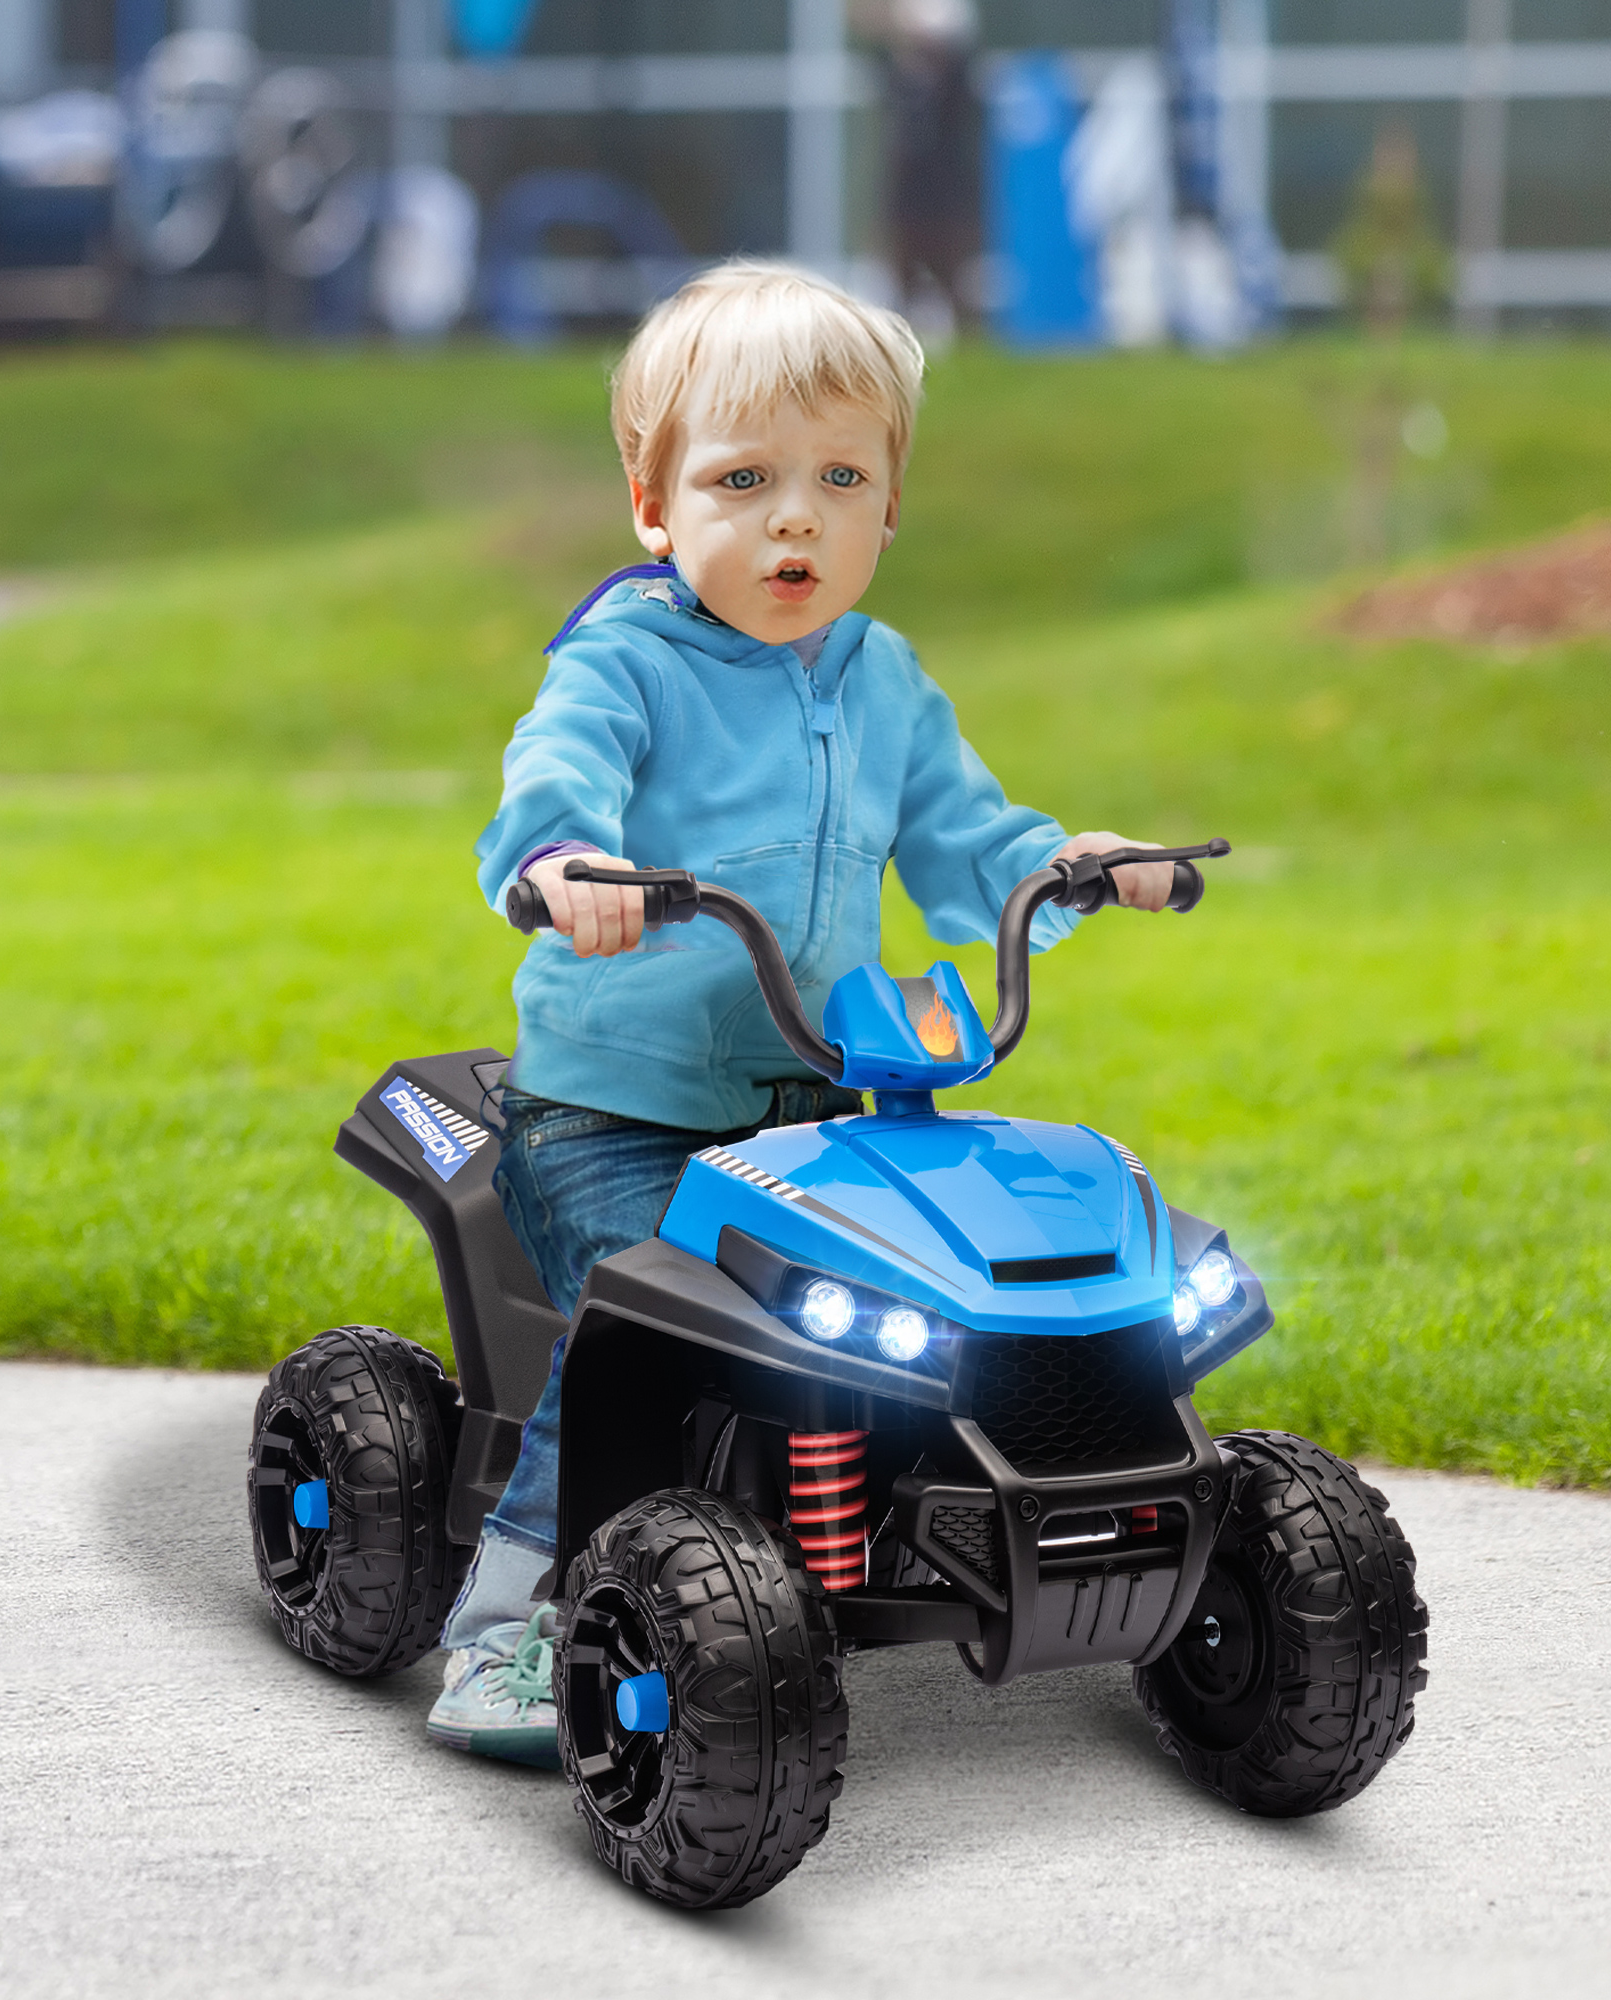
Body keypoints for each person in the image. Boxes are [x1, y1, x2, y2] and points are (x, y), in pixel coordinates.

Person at [428, 260, 1181, 1765]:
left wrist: (1068, 869)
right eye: (745, 480)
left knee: (947, 1307)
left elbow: (968, 838)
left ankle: (962, 1526)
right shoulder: (626, 659)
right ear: (654, 505)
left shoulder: (884, 677)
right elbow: (553, 782)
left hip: (823, 1112)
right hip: (617, 1114)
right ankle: (506, 1624)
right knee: (632, 1322)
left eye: (842, 479)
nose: (797, 520)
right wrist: (567, 866)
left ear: (889, 510)